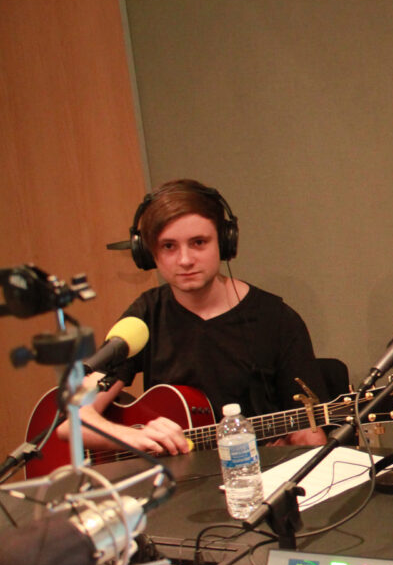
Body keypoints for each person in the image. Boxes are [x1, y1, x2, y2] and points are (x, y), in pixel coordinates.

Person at [60, 179, 328, 454]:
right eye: (168, 246)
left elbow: (310, 434)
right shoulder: (146, 315)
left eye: (198, 242)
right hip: (175, 485)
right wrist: (132, 437)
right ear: (148, 253)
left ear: (224, 243)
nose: (185, 260)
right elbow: (71, 421)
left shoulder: (276, 319)